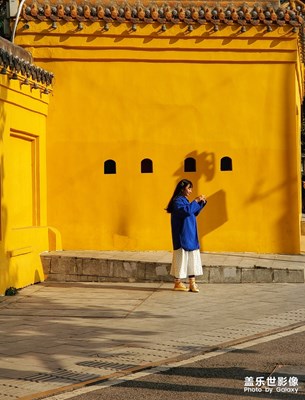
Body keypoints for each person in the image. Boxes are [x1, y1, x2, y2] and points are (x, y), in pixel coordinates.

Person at [166, 179, 207, 293]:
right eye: (189, 188)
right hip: (182, 235)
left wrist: (201, 203)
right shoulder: (177, 201)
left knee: (192, 259)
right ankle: (178, 282)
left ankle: (192, 283)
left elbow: (193, 212)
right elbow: (186, 211)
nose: (190, 191)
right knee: (181, 259)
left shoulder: (184, 201)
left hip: (190, 234)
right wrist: (196, 200)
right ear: (182, 188)